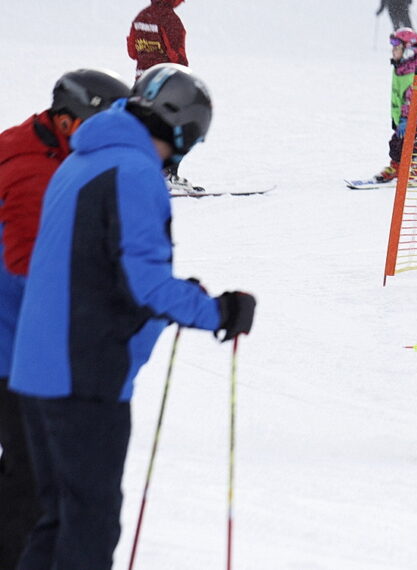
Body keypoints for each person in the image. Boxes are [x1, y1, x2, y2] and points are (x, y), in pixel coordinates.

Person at [8, 63, 256, 570]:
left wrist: (175, 295)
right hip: (81, 376)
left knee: (56, 518)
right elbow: (143, 285)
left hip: (38, 370)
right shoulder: (133, 170)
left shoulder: (82, 160)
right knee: (88, 526)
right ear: (179, 128)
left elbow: (101, 268)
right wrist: (218, 311)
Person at [0, 68, 130, 570]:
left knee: (34, 472)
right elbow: (30, 267)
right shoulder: (33, 167)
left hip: (23, 340)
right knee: (34, 475)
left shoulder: (58, 153)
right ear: (71, 123)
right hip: (12, 346)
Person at [126, 0, 199, 194]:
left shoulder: (142, 16)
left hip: (141, 84)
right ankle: (167, 175)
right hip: (165, 85)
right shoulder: (170, 20)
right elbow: (178, 57)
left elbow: (132, 51)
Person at [374, 27, 417, 183]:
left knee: (398, 143)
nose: (393, 51)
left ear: (408, 51)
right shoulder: (400, 69)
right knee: (409, 142)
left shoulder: (413, 74)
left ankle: (396, 168)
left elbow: (411, 99)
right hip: (401, 116)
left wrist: (405, 119)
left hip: (414, 115)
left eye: (397, 48)